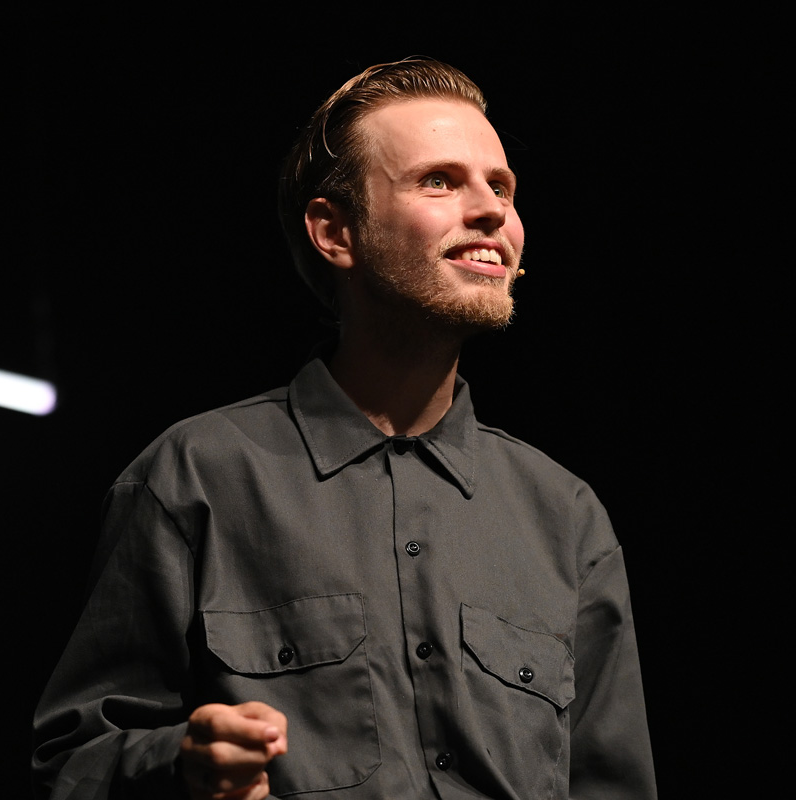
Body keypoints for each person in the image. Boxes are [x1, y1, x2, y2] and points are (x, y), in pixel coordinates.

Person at [32, 57, 657, 799]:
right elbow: (70, 761)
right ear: (336, 232)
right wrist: (180, 766)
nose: (491, 210)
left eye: (502, 186)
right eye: (439, 180)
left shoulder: (568, 517)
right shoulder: (194, 476)